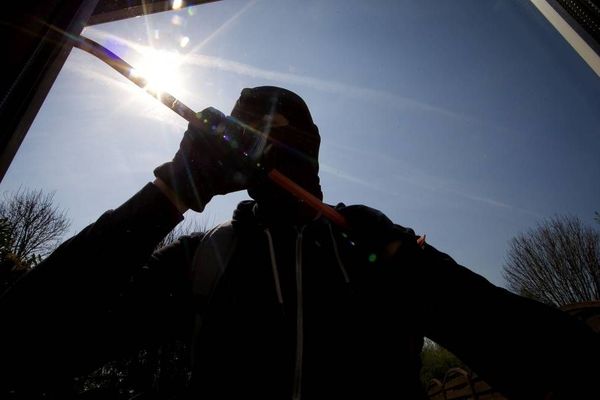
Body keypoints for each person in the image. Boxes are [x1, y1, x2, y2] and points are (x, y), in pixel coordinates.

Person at [0, 86, 598, 400]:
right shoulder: (204, 258)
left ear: (312, 151)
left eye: (283, 137)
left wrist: (408, 264)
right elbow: (28, 345)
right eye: (247, 135)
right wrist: (169, 193)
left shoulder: (372, 247)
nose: (264, 150)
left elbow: (552, 357)